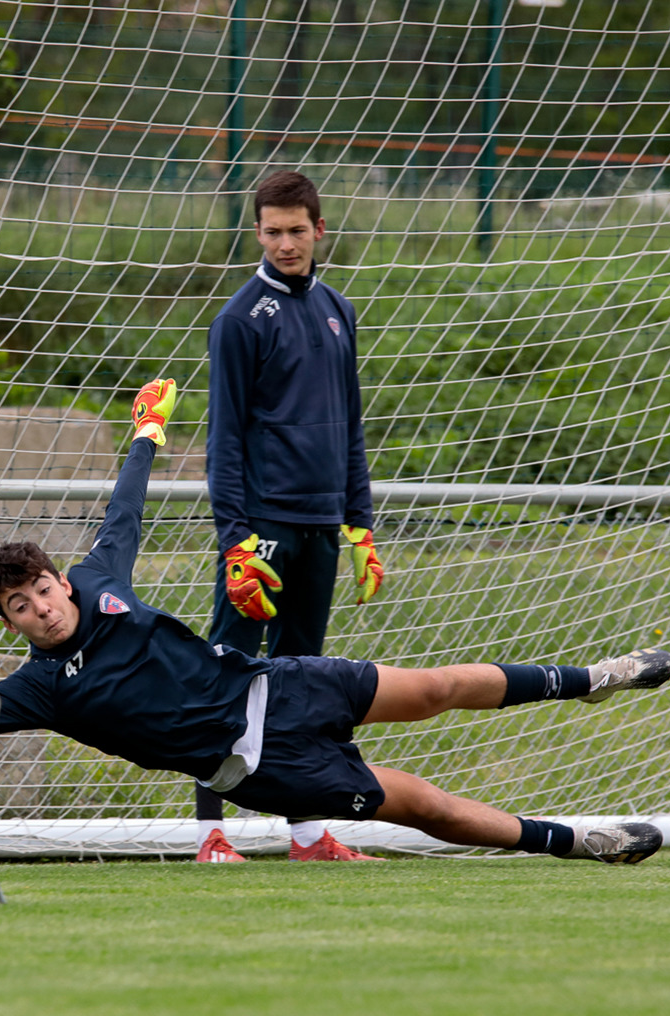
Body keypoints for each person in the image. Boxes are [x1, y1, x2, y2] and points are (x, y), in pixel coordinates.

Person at [0, 380, 670, 867]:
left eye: (42, 591)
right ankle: (579, 843)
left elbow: (125, 516)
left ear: (62, 582)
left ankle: (589, 679)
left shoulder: (100, 582)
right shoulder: (42, 689)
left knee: (437, 686)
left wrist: (143, 435)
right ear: (15, 622)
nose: (39, 609)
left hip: (278, 685)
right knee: (420, 802)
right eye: (20, 608)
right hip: (265, 765)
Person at [199, 168, 383, 864]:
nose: (285, 243)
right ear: (257, 233)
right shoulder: (239, 320)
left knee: (305, 683)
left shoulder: (339, 308)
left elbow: (350, 427)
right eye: (272, 232)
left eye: (296, 231)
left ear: (319, 230)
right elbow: (224, 441)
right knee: (227, 677)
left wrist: (359, 524)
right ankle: (208, 834)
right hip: (262, 532)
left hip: (322, 530)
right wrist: (235, 543)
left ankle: (306, 834)